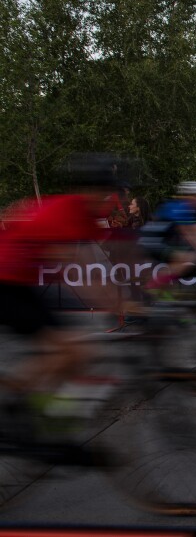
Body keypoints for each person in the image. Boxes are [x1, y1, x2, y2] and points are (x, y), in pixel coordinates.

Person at [0, 153, 121, 407]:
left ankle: (31, 402)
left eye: (107, 193)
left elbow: (96, 264)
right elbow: (80, 273)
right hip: (6, 285)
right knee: (72, 351)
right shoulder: (65, 212)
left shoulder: (84, 215)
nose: (105, 198)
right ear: (85, 190)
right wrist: (120, 304)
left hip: (19, 284)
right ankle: (17, 400)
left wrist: (120, 300)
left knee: (76, 353)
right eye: (101, 192)